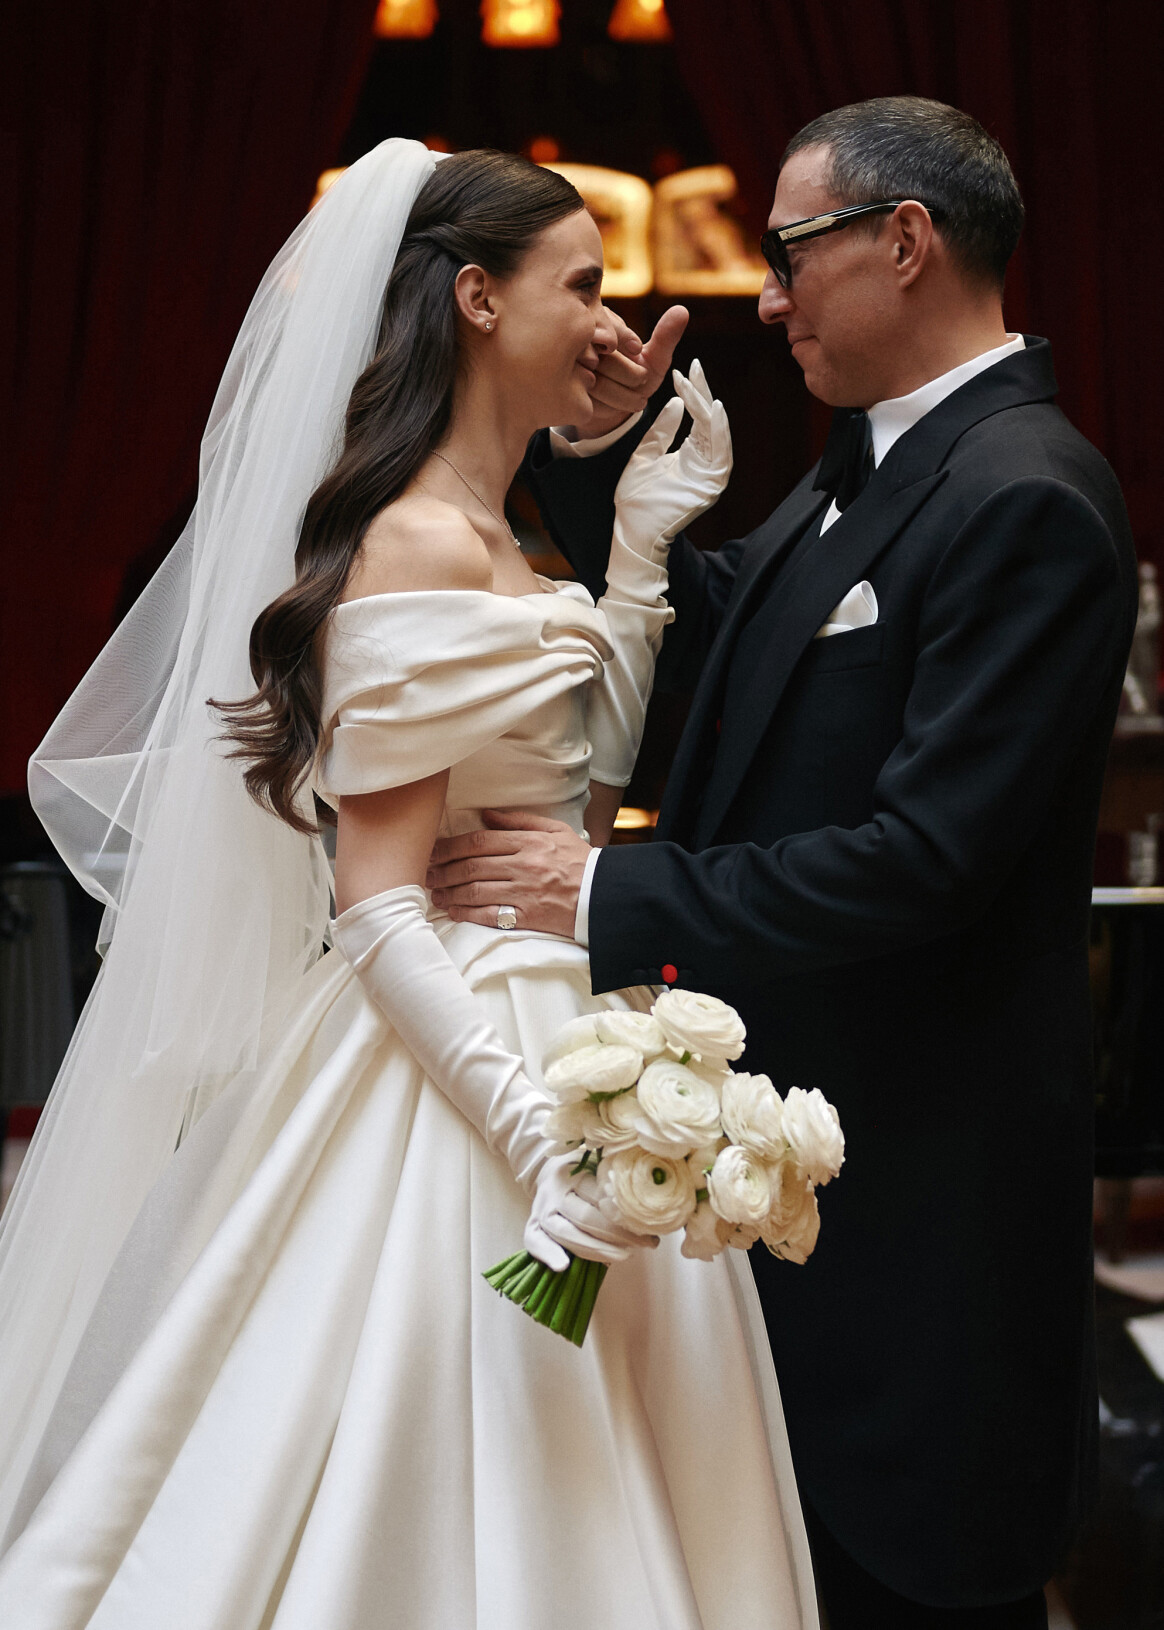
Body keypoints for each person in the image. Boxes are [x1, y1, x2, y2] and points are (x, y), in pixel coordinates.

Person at [0, 143, 819, 1627]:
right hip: (462, 1061)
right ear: (477, 299)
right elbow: (377, 901)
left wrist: (639, 549)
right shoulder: (417, 536)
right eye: (582, 286)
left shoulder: (503, 529)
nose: (611, 325)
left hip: (559, 1013)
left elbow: (570, 802)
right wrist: (538, 1137)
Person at [427, 97, 1140, 1627]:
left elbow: (924, 859)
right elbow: (717, 658)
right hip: (795, 1194)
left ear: (906, 241)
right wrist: (605, 460)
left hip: (922, 1215)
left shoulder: (1026, 492)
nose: (764, 299)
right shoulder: (862, 464)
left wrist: (600, 893)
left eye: (790, 252)